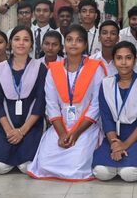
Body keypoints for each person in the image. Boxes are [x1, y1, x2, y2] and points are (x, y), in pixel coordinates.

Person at [28, 25, 108, 181]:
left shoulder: (95, 68)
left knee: (76, 165)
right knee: (44, 163)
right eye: (69, 40)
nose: (73, 44)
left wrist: (76, 133)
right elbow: (51, 104)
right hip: (61, 126)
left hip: (86, 126)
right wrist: (62, 133)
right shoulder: (54, 69)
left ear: (85, 45)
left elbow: (96, 105)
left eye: (78, 41)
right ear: (64, 44)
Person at [92, 41, 137, 182]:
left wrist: (125, 145)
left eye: (128, 58)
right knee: (101, 172)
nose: (124, 62)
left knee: (129, 174)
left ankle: (123, 164)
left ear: (134, 60)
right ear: (114, 61)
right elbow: (106, 118)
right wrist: (115, 143)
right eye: (119, 58)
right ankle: (116, 163)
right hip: (113, 136)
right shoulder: (106, 84)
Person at [0, 27, 47, 174]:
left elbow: (40, 102)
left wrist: (22, 131)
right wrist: (9, 130)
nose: (21, 43)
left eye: (26, 40)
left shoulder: (40, 68)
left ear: (32, 45)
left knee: (27, 167)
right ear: (10, 43)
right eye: (17, 39)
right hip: (7, 126)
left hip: (30, 125)